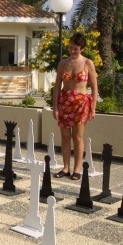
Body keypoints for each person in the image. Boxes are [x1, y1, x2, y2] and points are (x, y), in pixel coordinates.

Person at [52, 32, 98, 181]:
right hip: (65, 102)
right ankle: (66, 167)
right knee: (65, 136)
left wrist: (93, 107)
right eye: (71, 48)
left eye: (76, 49)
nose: (72, 51)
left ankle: (77, 168)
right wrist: (55, 107)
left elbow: (94, 87)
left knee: (77, 136)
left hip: (81, 103)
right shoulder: (63, 63)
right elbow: (57, 87)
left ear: (82, 49)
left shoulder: (87, 63)